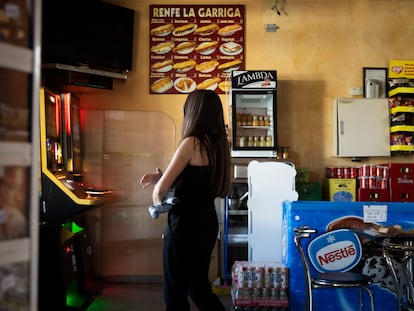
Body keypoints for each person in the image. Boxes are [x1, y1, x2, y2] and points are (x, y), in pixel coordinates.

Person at [140, 89, 230, 311]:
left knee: (175, 291)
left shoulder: (191, 142)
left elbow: (160, 192)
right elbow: (196, 180)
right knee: (198, 288)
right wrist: (164, 177)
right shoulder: (219, 146)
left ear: (193, 113)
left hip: (183, 226)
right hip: (207, 224)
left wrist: (158, 193)